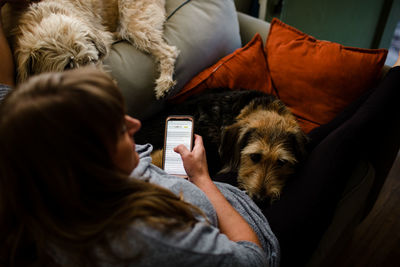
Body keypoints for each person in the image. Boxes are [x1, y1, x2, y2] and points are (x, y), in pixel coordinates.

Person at [0, 66, 280, 266]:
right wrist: (201, 178)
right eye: (120, 129)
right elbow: (251, 259)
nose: (135, 124)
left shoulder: (50, 175)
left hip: (207, 192)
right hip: (253, 230)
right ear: (90, 160)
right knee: (323, 149)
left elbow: (4, 89)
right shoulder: (150, 235)